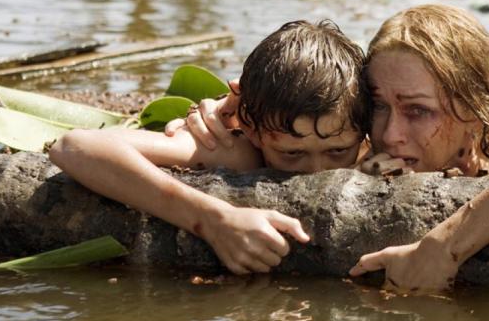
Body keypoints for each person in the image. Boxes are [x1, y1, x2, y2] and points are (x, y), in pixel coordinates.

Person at [171, 4, 489, 293]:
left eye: (418, 111)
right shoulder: (356, 152)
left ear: (476, 108)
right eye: (378, 106)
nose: (390, 134)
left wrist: (441, 249)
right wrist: (230, 114)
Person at [48, 20, 369, 275]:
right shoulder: (237, 151)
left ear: (363, 134)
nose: (317, 171)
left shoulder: (374, 151)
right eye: (292, 153)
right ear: (252, 129)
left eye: (337, 152)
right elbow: (74, 146)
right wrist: (212, 220)